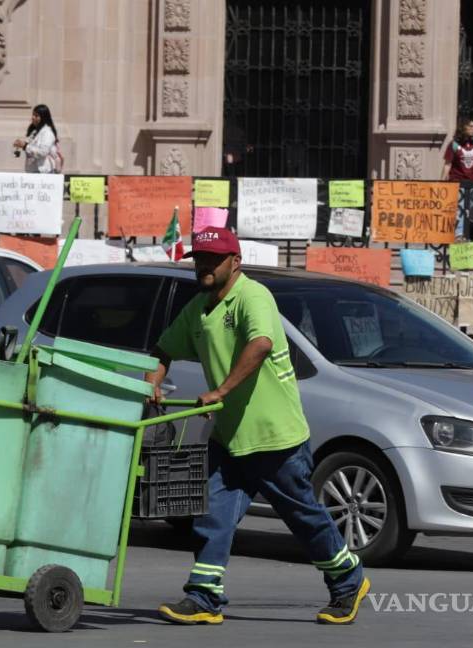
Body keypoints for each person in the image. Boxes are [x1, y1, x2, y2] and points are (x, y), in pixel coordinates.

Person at [147, 228, 368, 626]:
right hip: (230, 438)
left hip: (274, 436)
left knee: (302, 517)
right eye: (199, 258)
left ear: (236, 262)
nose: (204, 266)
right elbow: (163, 349)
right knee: (211, 513)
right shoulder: (198, 308)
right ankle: (203, 597)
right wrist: (154, 381)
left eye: (213, 259)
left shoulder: (253, 296)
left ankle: (348, 579)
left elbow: (260, 344)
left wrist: (221, 390)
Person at [12, 104, 62, 173]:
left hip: (44, 172)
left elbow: (43, 152)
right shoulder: (35, 132)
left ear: (43, 117)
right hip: (33, 171)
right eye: (33, 115)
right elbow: (30, 146)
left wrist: (25, 146)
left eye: (36, 116)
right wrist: (20, 144)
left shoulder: (47, 132)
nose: (33, 117)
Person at [441, 117, 473, 183]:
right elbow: (447, 164)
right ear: (463, 127)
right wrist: (441, 181)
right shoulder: (454, 144)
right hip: (457, 182)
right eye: (470, 126)